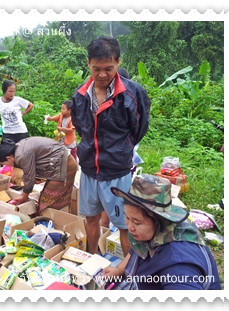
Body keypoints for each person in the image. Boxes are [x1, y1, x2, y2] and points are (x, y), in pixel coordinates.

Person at [71, 36, 151, 255]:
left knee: (125, 225)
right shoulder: (79, 95)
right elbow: (81, 127)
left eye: (109, 68)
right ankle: (92, 258)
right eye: (96, 68)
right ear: (88, 63)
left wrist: (120, 148)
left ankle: (126, 270)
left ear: (118, 62)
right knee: (91, 218)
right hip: (88, 169)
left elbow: (139, 128)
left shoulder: (132, 94)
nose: (102, 74)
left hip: (116, 171)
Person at [102, 174, 221, 290]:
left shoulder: (178, 261)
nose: (130, 227)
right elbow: (137, 249)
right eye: (127, 217)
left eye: (137, 222)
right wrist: (118, 270)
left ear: (159, 219)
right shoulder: (146, 233)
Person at [99, 68, 144, 229]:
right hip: (116, 160)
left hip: (121, 160)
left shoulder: (128, 104)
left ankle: (113, 226)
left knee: (115, 194)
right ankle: (107, 226)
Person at [0, 137, 78, 212]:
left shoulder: (21, 156)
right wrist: (24, 191)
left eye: (4, 163)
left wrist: (24, 197)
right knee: (47, 197)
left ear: (9, 158)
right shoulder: (18, 148)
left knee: (48, 200)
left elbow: (30, 177)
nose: (5, 166)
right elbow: (28, 175)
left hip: (65, 166)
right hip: (58, 164)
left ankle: (53, 222)